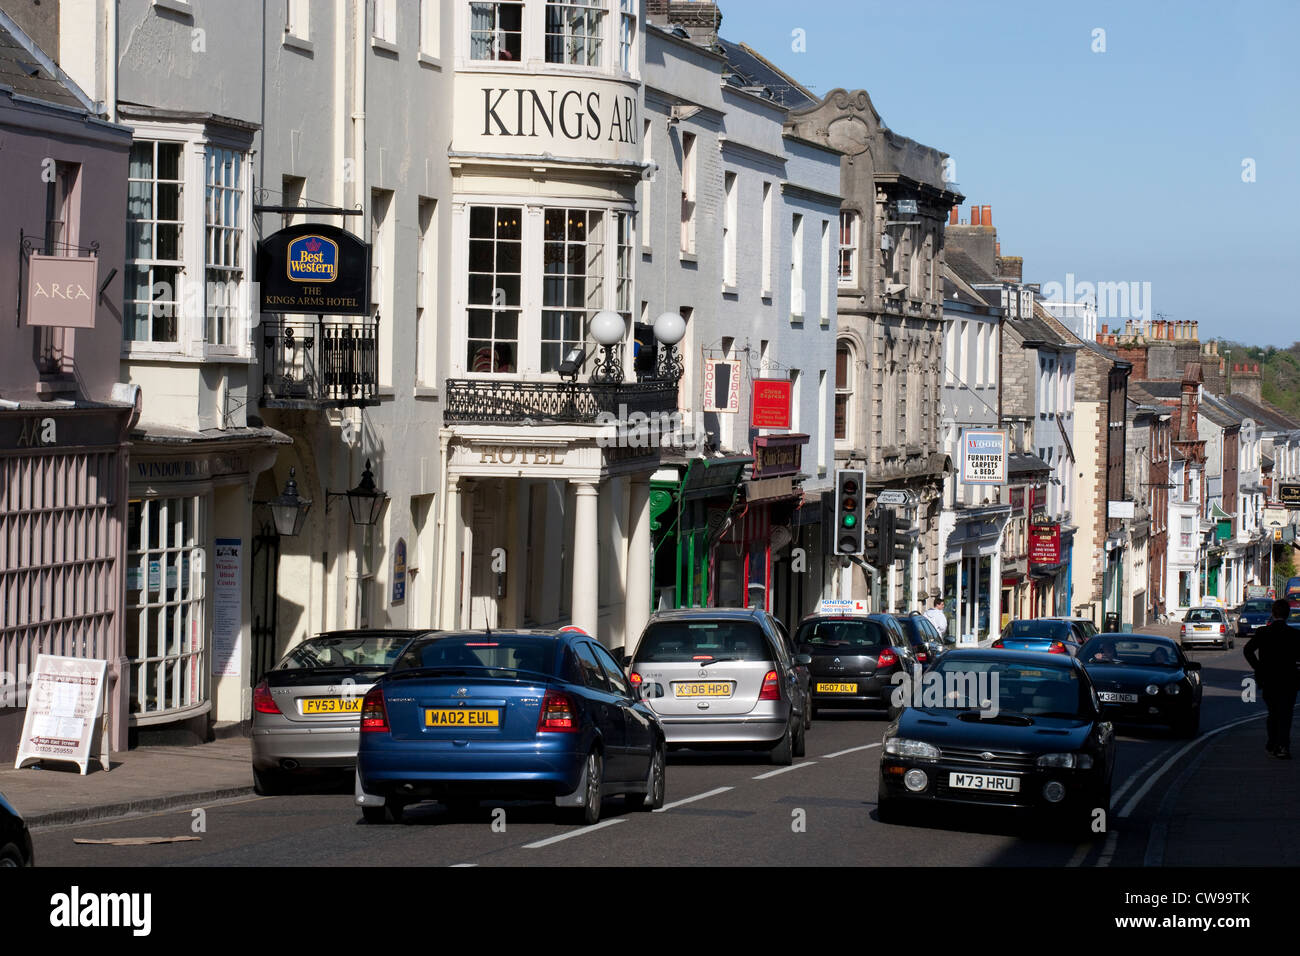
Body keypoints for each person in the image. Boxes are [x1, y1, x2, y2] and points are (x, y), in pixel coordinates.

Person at [1242, 598, 1300, 759]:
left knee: (1273, 713)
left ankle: (1273, 743)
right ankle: (1282, 746)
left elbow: (1247, 650)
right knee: (1286, 714)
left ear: (1273, 614)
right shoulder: (1295, 635)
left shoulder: (1263, 633)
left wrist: (1258, 668)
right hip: (1289, 680)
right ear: (1287, 615)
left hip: (1268, 679)